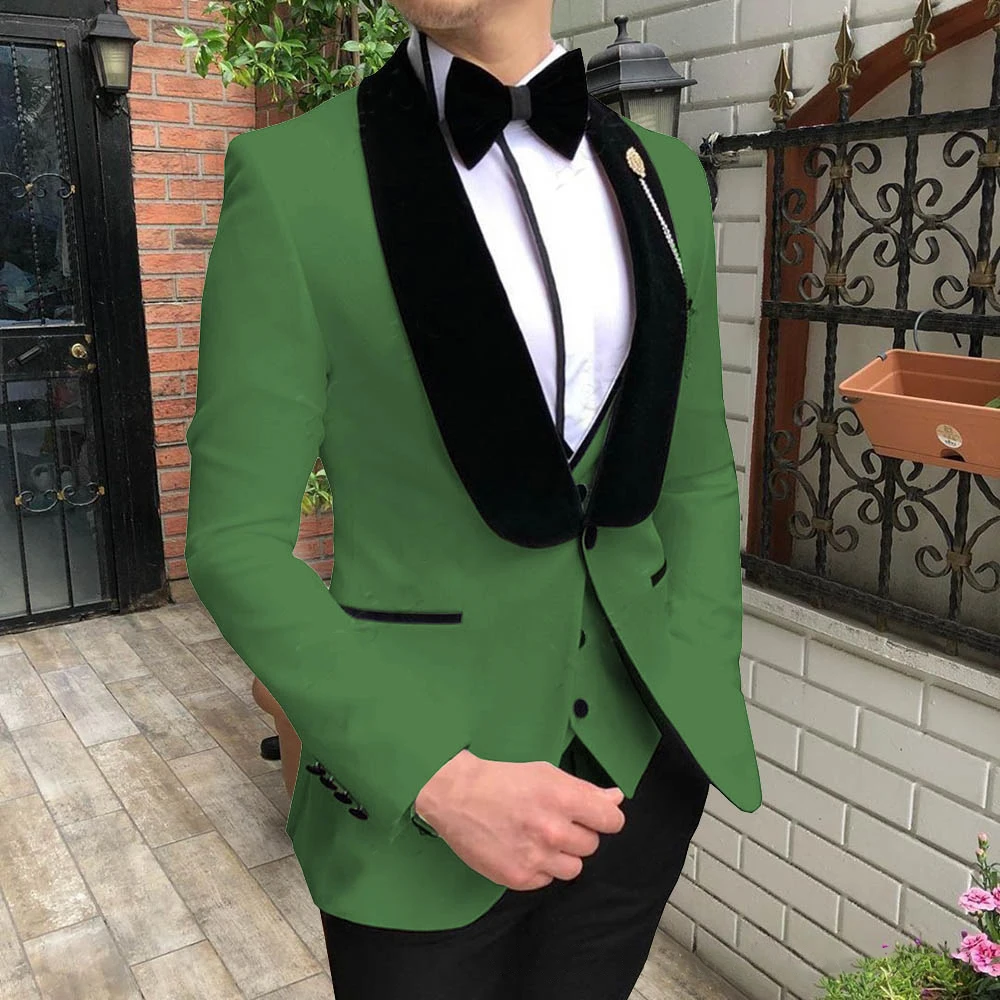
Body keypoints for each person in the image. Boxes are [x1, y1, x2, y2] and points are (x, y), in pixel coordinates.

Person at [184, 1, 763, 997]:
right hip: (417, 809)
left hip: (641, 779)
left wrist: (697, 685)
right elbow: (235, 541)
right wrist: (434, 778)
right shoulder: (293, 180)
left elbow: (697, 474)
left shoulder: (666, 179)